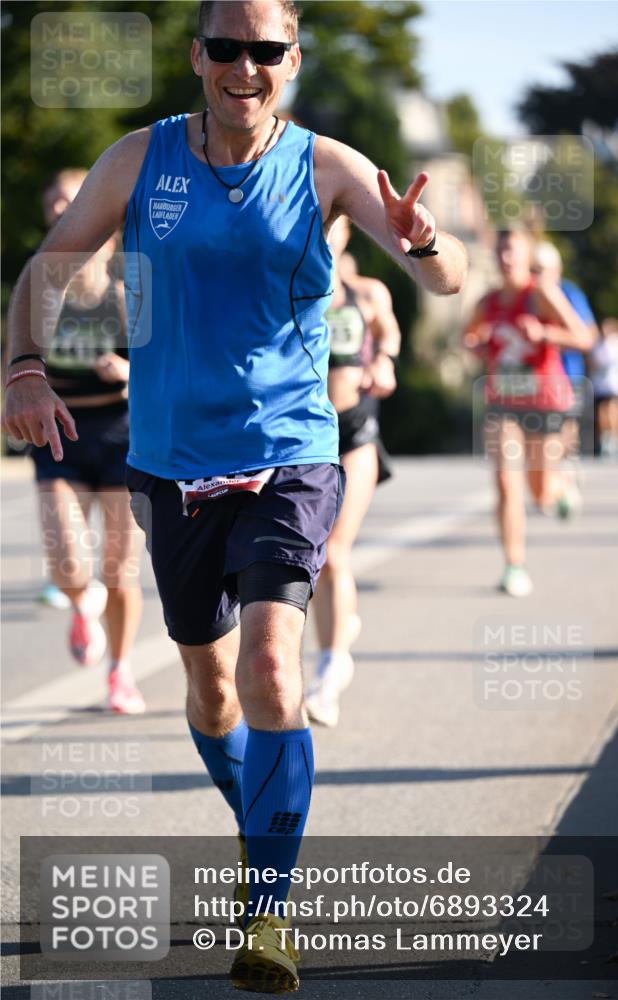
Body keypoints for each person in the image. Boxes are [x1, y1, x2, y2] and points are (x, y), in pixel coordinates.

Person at [3, 1, 467, 992]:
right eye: (228, 47)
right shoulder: (140, 160)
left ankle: (268, 909)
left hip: (291, 455)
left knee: (269, 662)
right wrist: (23, 368)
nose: (245, 67)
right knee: (210, 692)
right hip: (171, 463)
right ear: (197, 55)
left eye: (266, 50)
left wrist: (425, 241)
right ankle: (261, 817)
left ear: (291, 61)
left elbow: (446, 281)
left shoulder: (328, 165)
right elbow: (49, 264)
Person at [31, 169, 146, 714]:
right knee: (68, 565)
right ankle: (82, 603)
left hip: (123, 438)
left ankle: (121, 673)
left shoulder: (128, 293)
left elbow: (168, 371)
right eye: (54, 202)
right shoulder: (41, 296)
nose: (61, 211)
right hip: (60, 439)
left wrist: (126, 371)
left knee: (120, 569)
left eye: (70, 202)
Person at [306, 217, 400, 728]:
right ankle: (338, 633)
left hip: (355, 432)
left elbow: (389, 333)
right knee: (312, 559)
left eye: (331, 226)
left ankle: (329, 672)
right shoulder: (287, 288)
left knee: (334, 552)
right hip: (301, 439)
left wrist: (384, 359)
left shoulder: (365, 292)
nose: (322, 234)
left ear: (345, 233)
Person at [464, 226, 593, 598]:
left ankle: (561, 486)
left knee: (540, 493)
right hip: (502, 402)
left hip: (543, 401)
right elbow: (467, 337)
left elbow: (585, 338)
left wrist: (545, 334)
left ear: (526, 257)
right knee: (506, 482)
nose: (506, 258)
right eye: (501, 251)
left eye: (512, 252)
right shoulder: (488, 301)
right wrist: (476, 344)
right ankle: (514, 565)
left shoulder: (540, 295)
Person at [532, 240, 598, 513]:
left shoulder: (569, 293)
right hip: (536, 382)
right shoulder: (528, 296)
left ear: (557, 270)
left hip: (568, 376)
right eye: (534, 269)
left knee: (561, 436)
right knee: (543, 440)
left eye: (543, 269)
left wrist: (552, 336)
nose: (538, 275)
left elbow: (589, 335)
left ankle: (563, 475)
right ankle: (556, 480)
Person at [589, 317, 618, 459]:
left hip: (616, 385)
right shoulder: (599, 344)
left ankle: (616, 439)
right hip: (601, 385)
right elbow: (592, 362)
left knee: (614, 412)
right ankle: (606, 438)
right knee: (602, 413)